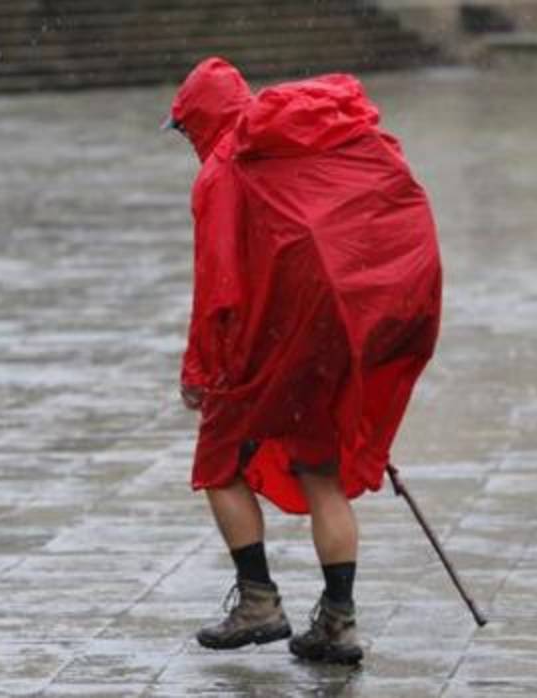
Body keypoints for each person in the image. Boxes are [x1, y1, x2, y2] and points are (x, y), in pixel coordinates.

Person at [166, 57, 442, 664]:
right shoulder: (301, 147)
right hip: (328, 340)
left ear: (199, 120)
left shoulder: (223, 170)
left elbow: (218, 285)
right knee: (321, 474)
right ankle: (338, 623)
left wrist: (199, 372)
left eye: (187, 129)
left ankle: (258, 602)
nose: (189, 141)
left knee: (216, 465)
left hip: (265, 350)